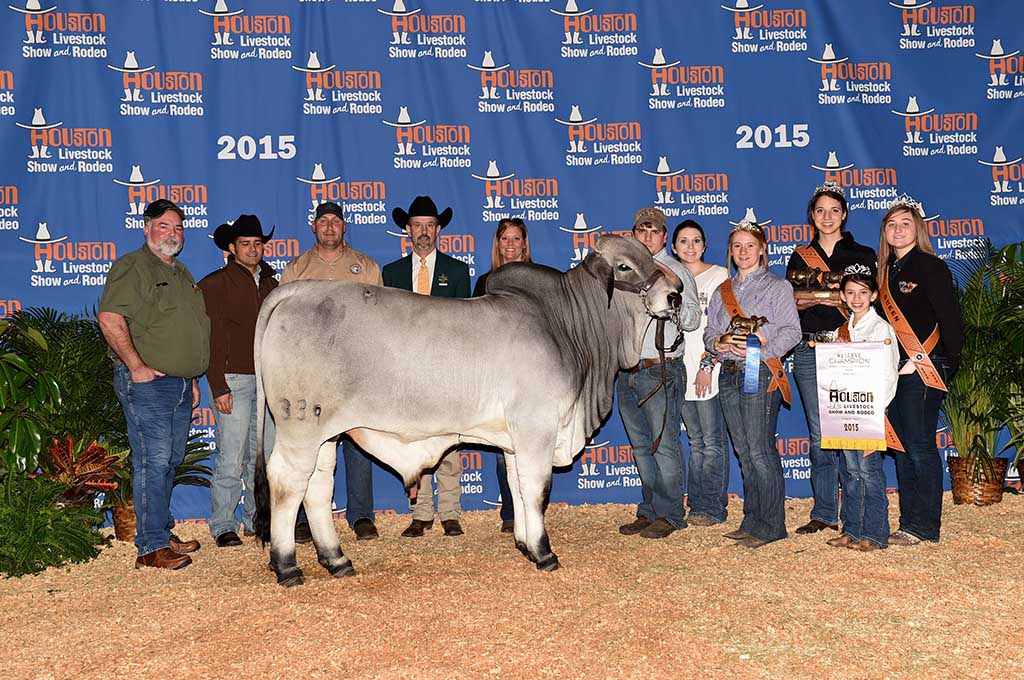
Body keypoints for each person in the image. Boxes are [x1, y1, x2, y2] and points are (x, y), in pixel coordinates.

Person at [97, 199, 210, 570]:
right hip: (149, 384)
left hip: (179, 384)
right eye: (164, 226)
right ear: (146, 229)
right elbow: (110, 318)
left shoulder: (181, 272)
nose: (172, 233)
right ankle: (150, 548)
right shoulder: (133, 266)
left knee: (170, 461)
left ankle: (161, 532)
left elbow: (187, 330)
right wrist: (136, 366)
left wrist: (192, 378)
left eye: (178, 227)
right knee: (153, 461)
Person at [280, 201, 384, 541]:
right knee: (307, 444)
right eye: (323, 221)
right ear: (313, 226)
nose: (329, 227)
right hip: (308, 369)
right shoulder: (296, 268)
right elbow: (284, 321)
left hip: (354, 368)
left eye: (335, 221)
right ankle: (302, 518)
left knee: (358, 441)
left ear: (344, 226)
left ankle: (361, 515)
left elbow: (380, 318)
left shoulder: (365, 266)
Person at [786, 181, 877, 535]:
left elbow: (865, 300)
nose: (827, 217)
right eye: (820, 210)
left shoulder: (862, 254)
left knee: (852, 431)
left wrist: (814, 294)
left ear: (845, 214)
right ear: (811, 215)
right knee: (819, 434)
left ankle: (856, 513)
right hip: (809, 348)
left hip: (850, 348)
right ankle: (824, 512)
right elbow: (792, 301)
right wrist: (833, 294)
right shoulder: (799, 256)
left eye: (834, 210)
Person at [704, 221, 800, 549]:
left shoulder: (778, 287)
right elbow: (709, 332)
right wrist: (719, 341)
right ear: (730, 251)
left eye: (749, 245)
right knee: (744, 452)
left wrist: (761, 352)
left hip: (759, 373)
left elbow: (792, 331)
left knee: (760, 450)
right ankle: (752, 520)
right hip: (729, 373)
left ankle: (772, 525)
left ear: (762, 250)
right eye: (737, 246)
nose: (743, 252)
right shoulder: (723, 290)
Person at [877, 195, 963, 546]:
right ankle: (908, 522)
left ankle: (925, 526)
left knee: (919, 445)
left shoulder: (930, 266)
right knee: (901, 447)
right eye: (891, 224)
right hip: (894, 370)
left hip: (924, 367)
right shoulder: (885, 272)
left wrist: (938, 363)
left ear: (918, 230)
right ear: (884, 232)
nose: (898, 230)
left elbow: (951, 319)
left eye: (905, 224)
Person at [383, 195, 471, 538]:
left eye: (430, 225)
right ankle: (420, 513)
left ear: (438, 230)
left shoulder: (457, 271)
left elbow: (465, 324)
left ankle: (450, 511)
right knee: (415, 440)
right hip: (406, 372)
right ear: (407, 230)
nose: (424, 231)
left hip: (447, 369)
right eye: (418, 225)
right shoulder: (392, 273)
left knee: (448, 441)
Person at [616, 207, 702, 539]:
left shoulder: (675, 271)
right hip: (627, 369)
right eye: (642, 231)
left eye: (654, 232)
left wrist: (672, 303)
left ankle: (670, 513)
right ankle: (650, 509)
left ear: (665, 237)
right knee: (641, 446)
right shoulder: (623, 272)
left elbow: (692, 319)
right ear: (633, 235)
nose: (648, 237)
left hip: (660, 368)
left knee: (663, 445)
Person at [198, 215, 278, 547]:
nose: (253, 249)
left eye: (258, 243)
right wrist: (218, 385)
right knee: (231, 456)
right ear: (232, 248)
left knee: (264, 456)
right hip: (233, 379)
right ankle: (223, 524)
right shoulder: (214, 284)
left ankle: (256, 520)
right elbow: (210, 338)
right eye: (245, 243)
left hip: (268, 381)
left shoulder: (273, 285)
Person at [827, 265, 899, 551]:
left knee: (869, 472)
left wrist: (878, 409)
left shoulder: (881, 329)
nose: (856, 299)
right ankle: (852, 530)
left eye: (863, 292)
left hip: (869, 411)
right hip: (844, 410)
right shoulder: (841, 331)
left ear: (874, 296)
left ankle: (876, 533)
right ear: (843, 296)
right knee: (850, 471)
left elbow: (889, 373)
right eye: (850, 293)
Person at [472, 218, 531, 534]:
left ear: (524, 243)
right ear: (498, 244)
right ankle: (510, 511)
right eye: (505, 238)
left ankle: (532, 510)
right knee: (503, 448)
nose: (510, 244)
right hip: (496, 375)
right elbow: (473, 330)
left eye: (516, 238)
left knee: (533, 447)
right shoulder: (485, 282)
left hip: (533, 375)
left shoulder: (540, 279)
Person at [671, 220, 730, 526]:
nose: (690, 247)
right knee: (696, 440)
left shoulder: (719, 276)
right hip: (680, 367)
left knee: (712, 440)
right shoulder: (669, 277)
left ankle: (713, 506)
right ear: (674, 247)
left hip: (709, 366)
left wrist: (708, 364)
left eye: (696, 241)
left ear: (705, 245)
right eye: (684, 241)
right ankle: (697, 503)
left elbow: (724, 326)